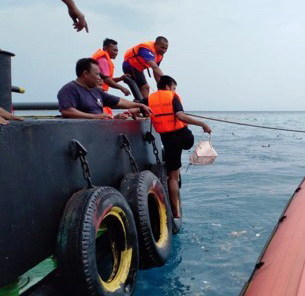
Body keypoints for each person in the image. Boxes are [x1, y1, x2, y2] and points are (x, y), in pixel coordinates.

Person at [147, 75, 211, 220]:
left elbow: (140, 109)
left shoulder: (150, 99)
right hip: (181, 136)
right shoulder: (173, 97)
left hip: (167, 139)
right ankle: (176, 211)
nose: (175, 90)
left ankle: (175, 212)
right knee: (175, 175)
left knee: (172, 175)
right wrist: (203, 124)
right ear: (168, 87)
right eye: (174, 88)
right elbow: (181, 116)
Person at [57, 58, 152, 119]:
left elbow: (119, 101)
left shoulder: (96, 91)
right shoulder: (69, 89)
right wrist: (94, 117)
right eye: (97, 74)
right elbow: (67, 111)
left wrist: (140, 106)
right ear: (85, 74)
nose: (99, 78)